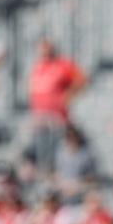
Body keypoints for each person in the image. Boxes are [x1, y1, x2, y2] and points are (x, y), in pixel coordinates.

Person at [28, 39, 87, 172]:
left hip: (57, 119)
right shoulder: (38, 67)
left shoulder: (63, 65)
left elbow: (82, 79)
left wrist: (69, 95)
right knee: (40, 154)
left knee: (57, 153)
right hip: (40, 119)